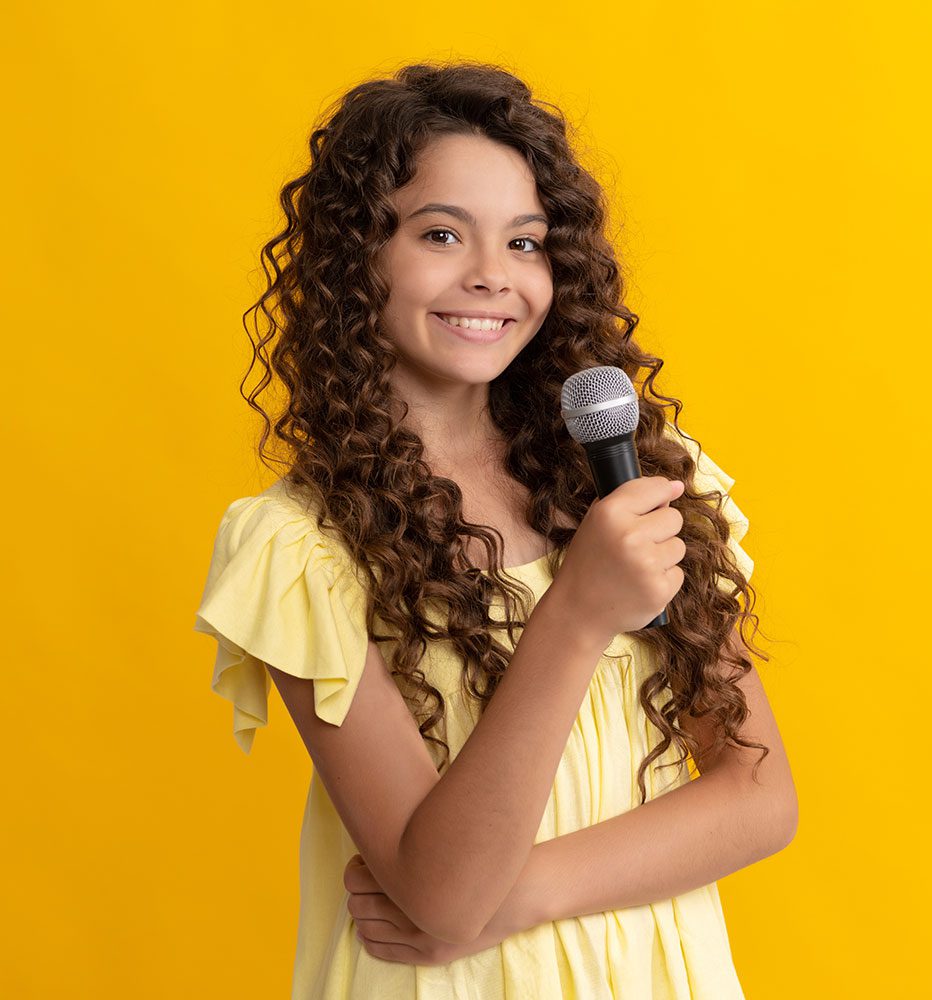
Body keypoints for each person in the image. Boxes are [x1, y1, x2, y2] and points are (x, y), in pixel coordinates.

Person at [193, 60, 797, 999]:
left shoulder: (633, 470)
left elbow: (759, 796)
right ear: (359, 258)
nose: (491, 277)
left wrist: (520, 897)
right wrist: (580, 611)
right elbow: (440, 891)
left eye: (525, 243)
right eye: (442, 234)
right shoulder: (299, 550)